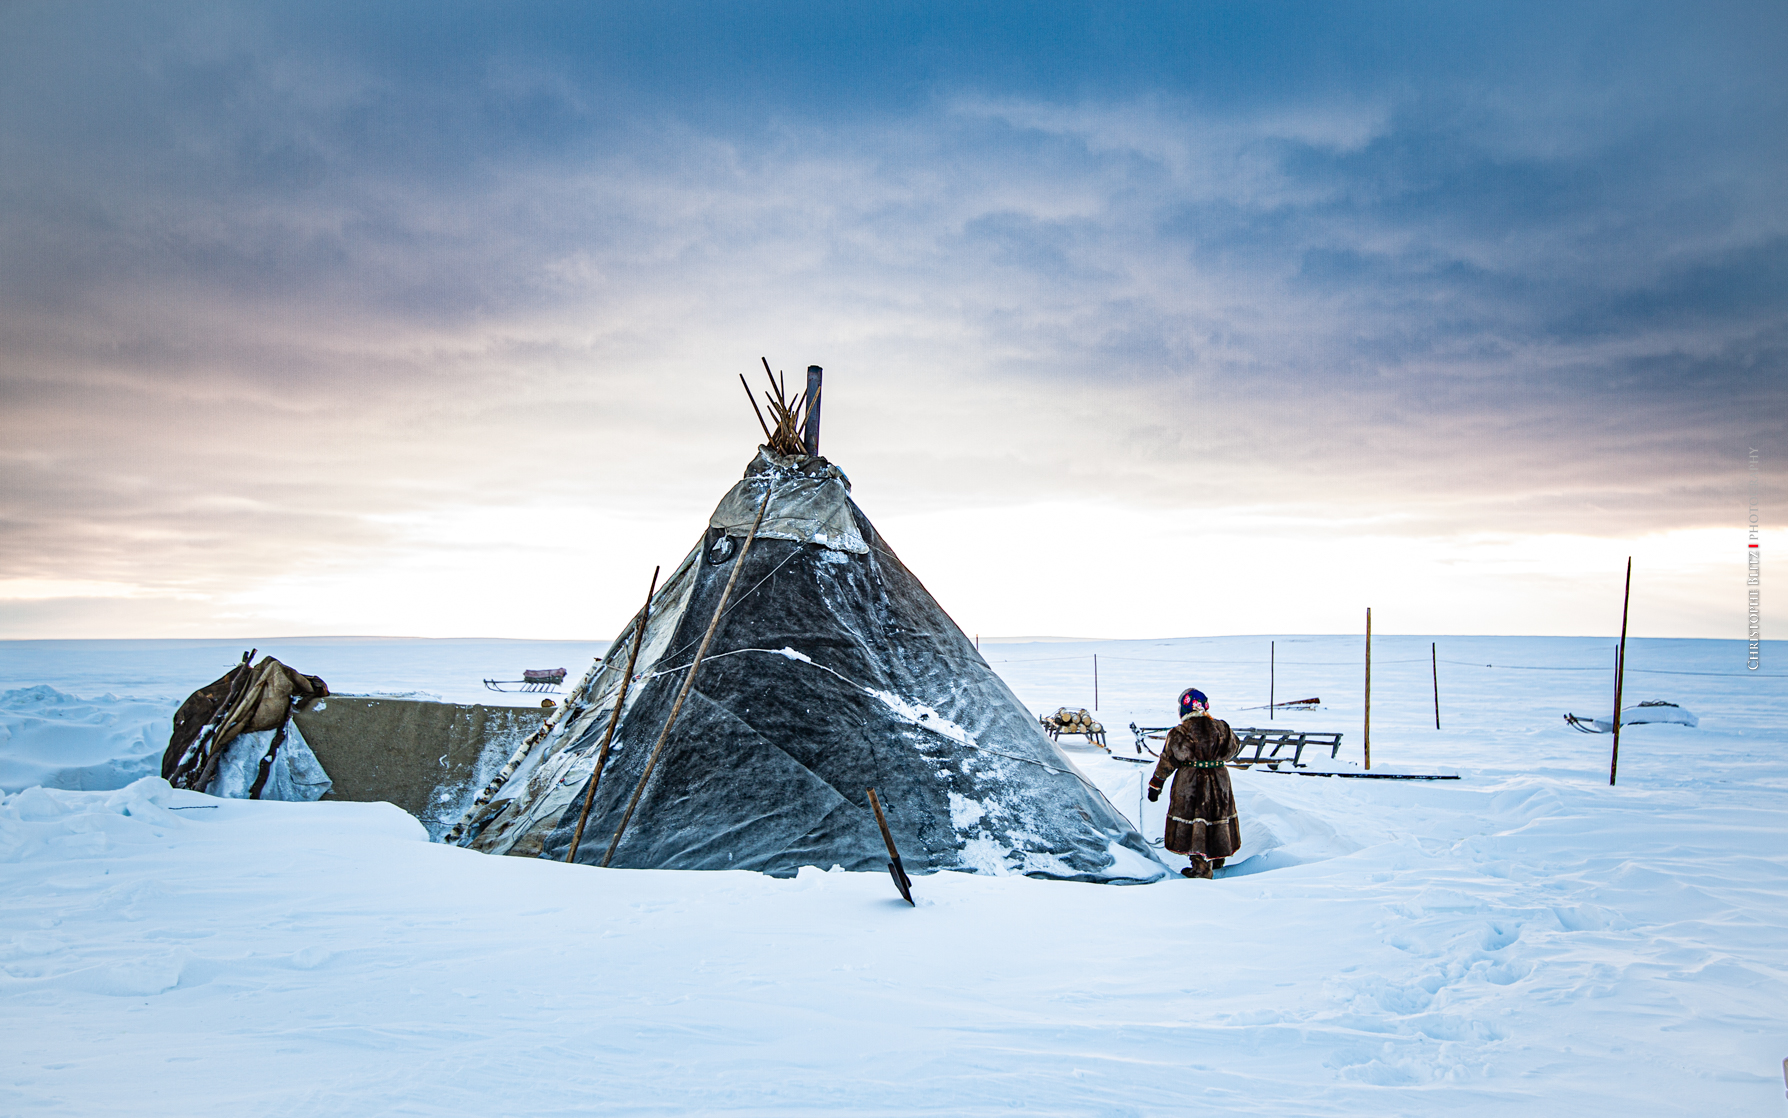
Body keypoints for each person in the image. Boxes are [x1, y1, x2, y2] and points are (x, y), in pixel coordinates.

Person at [1147, 687, 1243, 878]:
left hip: (1191, 783)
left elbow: (1167, 760)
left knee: (1195, 821)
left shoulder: (1180, 732)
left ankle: (1200, 868)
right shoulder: (1222, 728)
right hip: (1219, 781)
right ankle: (1217, 860)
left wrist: (1155, 785)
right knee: (1216, 817)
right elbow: (1234, 748)